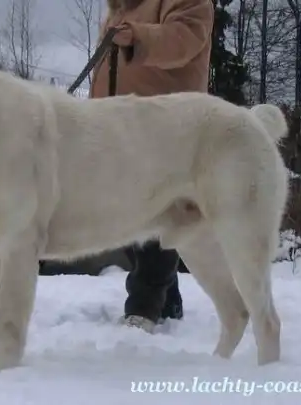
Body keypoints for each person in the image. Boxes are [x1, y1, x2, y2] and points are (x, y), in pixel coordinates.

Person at [89, 0, 214, 333]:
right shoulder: (122, 7)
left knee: (158, 218)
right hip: (118, 127)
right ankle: (167, 299)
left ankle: (144, 307)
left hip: (165, 125)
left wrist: (138, 37)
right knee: (128, 219)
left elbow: (185, 38)